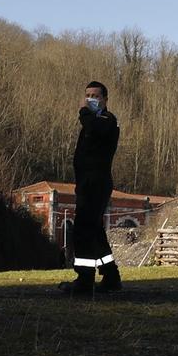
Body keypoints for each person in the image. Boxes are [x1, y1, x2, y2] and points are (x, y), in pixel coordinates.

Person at [61, 82, 121, 296]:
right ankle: (110, 274)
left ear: (105, 99)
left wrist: (84, 111)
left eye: (95, 95)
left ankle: (84, 279)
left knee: (84, 230)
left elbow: (93, 128)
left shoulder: (107, 120)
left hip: (97, 183)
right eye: (87, 95)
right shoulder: (92, 121)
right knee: (94, 230)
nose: (90, 99)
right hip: (86, 182)